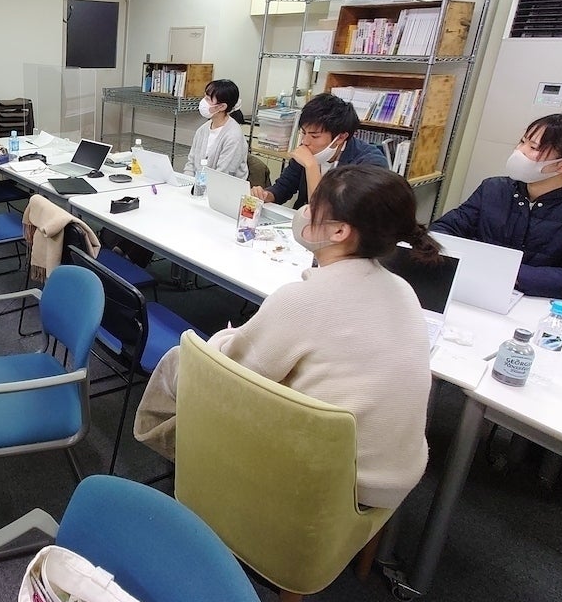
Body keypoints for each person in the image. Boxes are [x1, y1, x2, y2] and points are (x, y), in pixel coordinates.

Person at [134, 165, 436, 509]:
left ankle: (193, 485)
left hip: (327, 482)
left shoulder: (303, 300)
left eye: (314, 207)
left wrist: (225, 338)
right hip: (394, 478)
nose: (304, 212)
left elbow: (229, 369)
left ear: (340, 231)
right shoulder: (404, 290)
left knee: (182, 361)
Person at [431, 111, 562, 302]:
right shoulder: (495, 189)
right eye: (522, 142)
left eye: (534, 148)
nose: (520, 151)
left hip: (541, 309)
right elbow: (442, 231)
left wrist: (513, 274)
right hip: (477, 295)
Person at [250, 92, 386, 208]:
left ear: (341, 137)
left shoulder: (369, 163)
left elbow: (329, 213)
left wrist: (311, 167)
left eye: (314, 136)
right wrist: (266, 195)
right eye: (304, 133)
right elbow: (283, 188)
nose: (305, 141)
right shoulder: (308, 149)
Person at [183, 79, 248, 179]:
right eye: (205, 96)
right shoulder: (203, 129)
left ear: (221, 107)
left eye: (208, 99)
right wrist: (187, 182)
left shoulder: (233, 136)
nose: (203, 102)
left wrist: (199, 185)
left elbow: (222, 174)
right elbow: (191, 163)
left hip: (223, 186)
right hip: (199, 184)